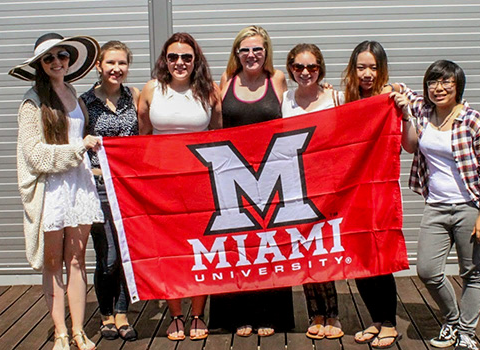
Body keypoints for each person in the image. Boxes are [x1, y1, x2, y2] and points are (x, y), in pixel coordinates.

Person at [392, 60, 480, 350]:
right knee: (427, 270)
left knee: (472, 273)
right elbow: (399, 90)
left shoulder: (473, 121)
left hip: (471, 207)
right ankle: (451, 319)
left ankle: (466, 332)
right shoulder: (424, 111)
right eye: (432, 83)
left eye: (445, 83)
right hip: (436, 207)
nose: (438, 89)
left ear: (457, 86)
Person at [9, 33, 103, 350]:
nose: (57, 62)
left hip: (79, 185)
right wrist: (79, 148)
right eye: (49, 58)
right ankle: (60, 331)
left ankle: (78, 330)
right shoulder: (32, 101)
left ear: (69, 58)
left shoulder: (73, 94)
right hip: (51, 190)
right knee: (53, 262)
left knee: (76, 260)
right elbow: (35, 154)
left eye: (61, 55)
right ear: (40, 65)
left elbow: (81, 138)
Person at [208, 25, 294, 338]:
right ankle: (237, 315)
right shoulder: (226, 81)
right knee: (237, 248)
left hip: (272, 176)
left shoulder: (279, 79)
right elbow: (216, 129)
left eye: (257, 49)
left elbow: (297, 117)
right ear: (236, 54)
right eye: (244, 49)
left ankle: (270, 313)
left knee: (271, 248)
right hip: (233, 177)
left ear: (266, 52)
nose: (251, 55)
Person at [136, 32, 222, 341]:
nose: (180, 63)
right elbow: (142, 137)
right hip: (161, 183)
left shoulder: (210, 92)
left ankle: (197, 313)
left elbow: (219, 135)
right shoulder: (151, 90)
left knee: (200, 247)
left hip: (200, 183)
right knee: (168, 248)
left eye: (186, 57)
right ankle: (175, 314)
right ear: (165, 60)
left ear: (196, 60)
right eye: (173, 57)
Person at [280, 43, 344, 339]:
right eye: (298, 67)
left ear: (321, 69)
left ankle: (333, 314)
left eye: (312, 67)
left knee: (326, 249)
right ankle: (314, 313)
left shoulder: (335, 97)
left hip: (329, 183)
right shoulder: (285, 100)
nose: (305, 72)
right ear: (291, 69)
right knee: (305, 250)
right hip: (295, 184)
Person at [342, 40, 402, 350]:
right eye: (361, 67)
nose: (367, 73)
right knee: (359, 256)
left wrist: (403, 109)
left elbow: (409, 144)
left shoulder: (390, 97)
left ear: (382, 69)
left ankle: (390, 323)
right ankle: (375, 319)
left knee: (380, 255)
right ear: (353, 69)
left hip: (378, 188)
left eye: (373, 67)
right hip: (352, 190)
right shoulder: (346, 99)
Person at [80, 40, 139, 342]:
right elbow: (77, 147)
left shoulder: (135, 97)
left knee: (128, 253)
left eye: (122, 63)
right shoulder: (84, 102)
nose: (117, 69)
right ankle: (105, 313)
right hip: (99, 189)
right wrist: (95, 170)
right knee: (109, 256)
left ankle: (122, 312)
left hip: (129, 191)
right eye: (111, 63)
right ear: (98, 66)